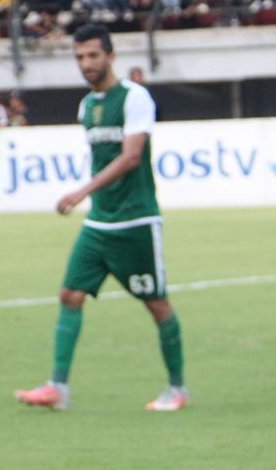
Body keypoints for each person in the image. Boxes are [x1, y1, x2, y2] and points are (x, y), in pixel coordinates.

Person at [16, 25, 187, 412]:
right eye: (79, 57)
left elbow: (130, 157)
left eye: (93, 55)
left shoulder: (134, 97)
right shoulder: (86, 105)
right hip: (100, 223)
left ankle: (177, 389)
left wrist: (81, 192)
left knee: (156, 303)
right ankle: (57, 388)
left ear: (110, 56)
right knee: (69, 294)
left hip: (135, 221)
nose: (86, 63)